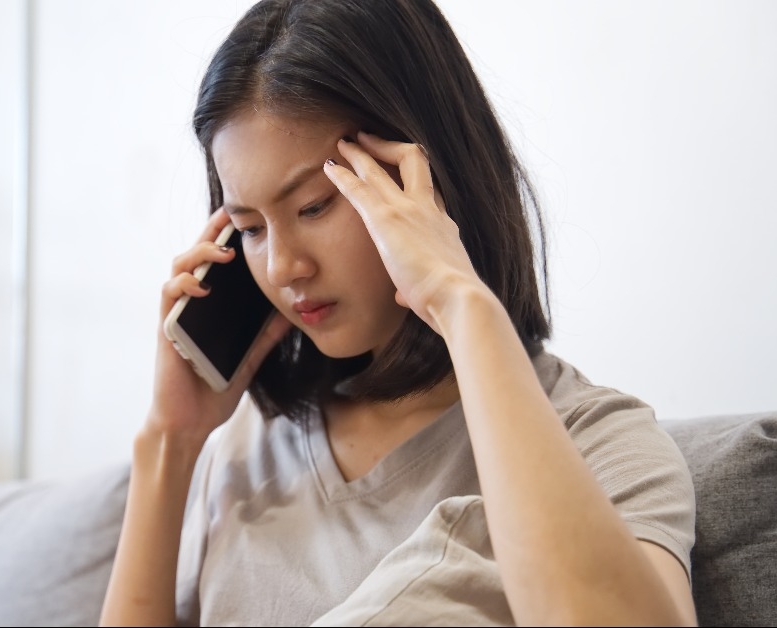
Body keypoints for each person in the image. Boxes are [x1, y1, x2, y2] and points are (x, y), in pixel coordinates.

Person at [99, 0, 697, 625]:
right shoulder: (244, 452)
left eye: (314, 206)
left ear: (425, 178)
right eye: (249, 228)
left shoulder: (601, 442)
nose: (281, 268)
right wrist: (171, 441)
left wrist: (462, 302)